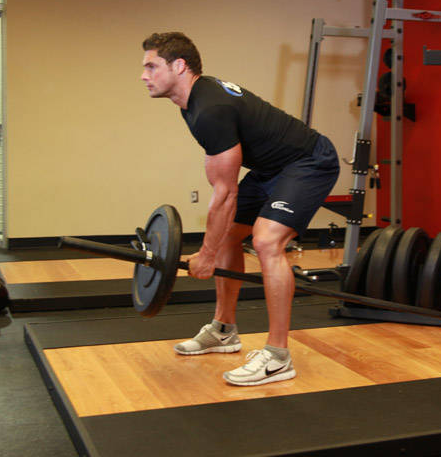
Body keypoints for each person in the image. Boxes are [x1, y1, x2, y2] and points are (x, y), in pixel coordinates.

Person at [140, 32, 340, 386]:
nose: (144, 75)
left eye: (151, 66)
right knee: (231, 237)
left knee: (265, 241)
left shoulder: (210, 109)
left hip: (309, 161)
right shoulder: (193, 103)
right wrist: (213, 246)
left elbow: (225, 194)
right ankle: (223, 330)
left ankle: (278, 356)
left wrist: (205, 253)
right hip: (270, 169)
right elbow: (224, 196)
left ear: (179, 65)